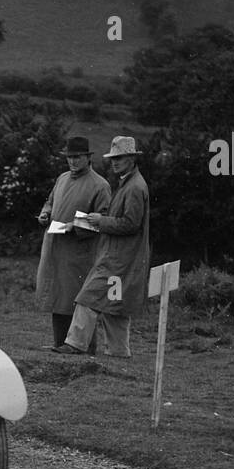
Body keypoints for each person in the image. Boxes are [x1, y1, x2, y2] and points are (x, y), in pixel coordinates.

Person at [56, 135, 150, 357]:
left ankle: (75, 344)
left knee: (88, 297)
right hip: (123, 257)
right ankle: (119, 352)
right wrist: (83, 222)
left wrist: (100, 221)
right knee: (115, 305)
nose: (114, 162)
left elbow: (130, 224)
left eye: (120, 158)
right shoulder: (129, 182)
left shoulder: (134, 187)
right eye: (113, 158)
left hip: (118, 258)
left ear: (132, 159)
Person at [33, 135, 112, 348]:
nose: (73, 162)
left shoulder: (100, 185)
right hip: (54, 248)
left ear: (88, 158)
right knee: (57, 299)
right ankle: (60, 344)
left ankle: (85, 347)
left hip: (79, 253)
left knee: (79, 301)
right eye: (69, 157)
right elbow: (49, 202)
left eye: (77, 157)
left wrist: (73, 225)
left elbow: (101, 220)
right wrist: (45, 214)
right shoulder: (62, 178)